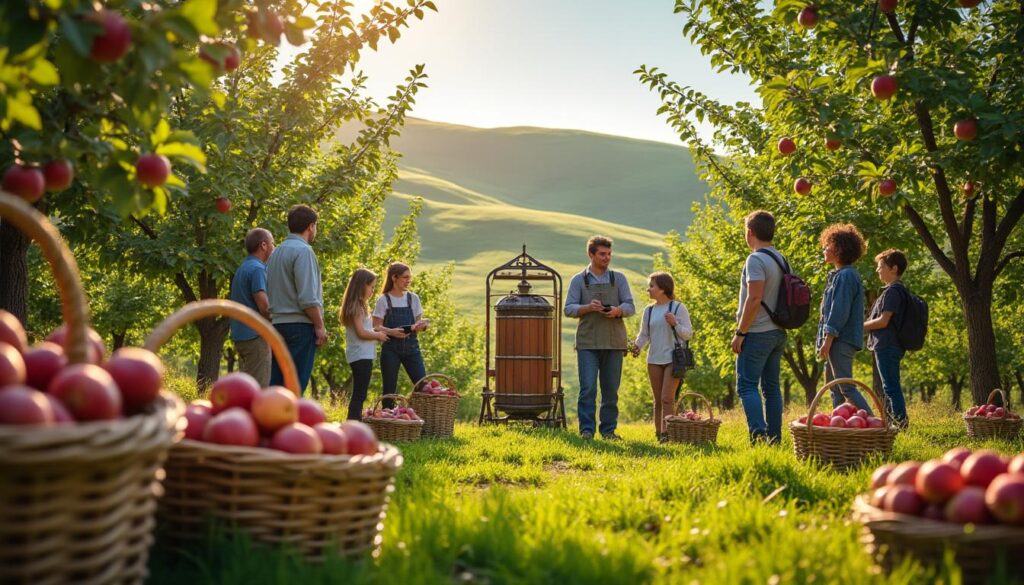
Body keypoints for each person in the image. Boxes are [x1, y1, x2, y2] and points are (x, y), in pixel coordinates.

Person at [564, 235, 635, 440]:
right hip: (587, 342)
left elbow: (630, 306)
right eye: (602, 254)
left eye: (609, 254)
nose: (607, 258)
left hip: (614, 341)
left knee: (611, 390)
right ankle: (587, 431)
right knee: (588, 388)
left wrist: (617, 311)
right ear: (591, 254)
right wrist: (588, 307)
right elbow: (568, 309)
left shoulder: (618, 278)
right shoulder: (579, 280)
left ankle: (608, 431)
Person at [731, 211, 789, 445]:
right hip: (777, 332)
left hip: (757, 332)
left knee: (746, 385)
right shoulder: (780, 258)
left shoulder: (755, 259)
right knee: (772, 388)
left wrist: (740, 332)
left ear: (750, 232)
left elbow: (754, 299)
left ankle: (759, 436)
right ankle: (774, 438)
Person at [266, 204, 326, 393]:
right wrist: (319, 325)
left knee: (276, 384)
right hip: (299, 327)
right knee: (294, 387)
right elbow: (308, 298)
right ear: (310, 226)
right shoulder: (304, 251)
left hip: (277, 324)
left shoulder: (276, 253)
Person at [816, 223, 873, 414]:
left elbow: (839, 312)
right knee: (835, 387)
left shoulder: (846, 276)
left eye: (828, 244)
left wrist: (827, 340)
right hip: (838, 340)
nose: (824, 248)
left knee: (845, 386)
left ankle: (877, 428)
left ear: (839, 249)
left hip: (840, 340)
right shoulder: (840, 275)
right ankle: (842, 428)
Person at [630, 272, 693, 443]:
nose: (648, 289)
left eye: (652, 286)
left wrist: (675, 323)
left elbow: (688, 335)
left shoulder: (678, 308)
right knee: (658, 400)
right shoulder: (649, 311)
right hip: (654, 359)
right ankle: (659, 434)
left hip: (673, 359)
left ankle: (669, 434)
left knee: (667, 398)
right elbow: (644, 335)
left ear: (663, 289)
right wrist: (637, 347)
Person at [863, 249, 909, 427]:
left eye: (881, 266)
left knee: (890, 386)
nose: (877, 270)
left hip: (887, 345)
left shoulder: (893, 292)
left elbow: (883, 321)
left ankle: (899, 424)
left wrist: (859, 327)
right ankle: (894, 422)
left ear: (894, 268)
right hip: (889, 345)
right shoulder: (895, 290)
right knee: (889, 385)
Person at [372, 262, 429, 402]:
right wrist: (391, 332)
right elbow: (375, 326)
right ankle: (388, 420)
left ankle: (422, 420)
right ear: (394, 278)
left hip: (412, 348)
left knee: (423, 386)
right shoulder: (383, 300)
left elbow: (418, 324)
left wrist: (422, 326)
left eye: (409, 277)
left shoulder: (413, 298)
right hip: (390, 349)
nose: (408, 280)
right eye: (405, 277)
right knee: (389, 391)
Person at [340, 268, 389, 420]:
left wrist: (378, 331)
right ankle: (353, 423)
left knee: (360, 392)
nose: (372, 291)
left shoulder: (359, 306)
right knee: (360, 394)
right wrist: (378, 335)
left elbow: (364, 329)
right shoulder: (357, 307)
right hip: (360, 354)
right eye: (371, 287)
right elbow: (361, 332)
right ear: (362, 285)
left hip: (361, 354)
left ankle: (354, 422)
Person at [228, 228, 275, 386]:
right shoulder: (257, 269)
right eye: (272, 243)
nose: (274, 247)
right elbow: (264, 306)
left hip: (241, 336)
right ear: (263, 245)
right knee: (259, 389)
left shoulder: (243, 267)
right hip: (255, 337)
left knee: (246, 388)